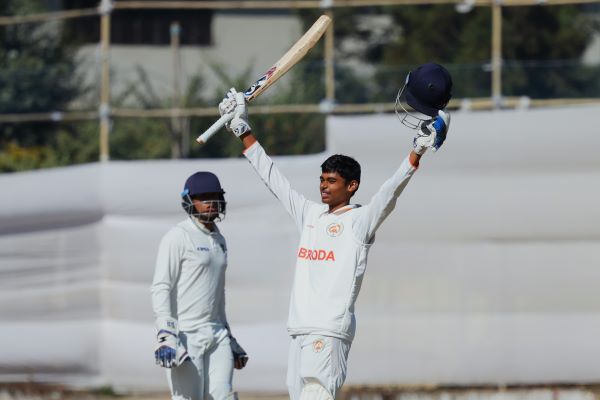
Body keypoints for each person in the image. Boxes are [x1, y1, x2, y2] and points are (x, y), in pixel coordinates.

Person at [219, 62, 452, 400]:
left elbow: (389, 193)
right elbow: (274, 179)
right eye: (322, 180)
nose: (323, 187)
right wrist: (242, 128)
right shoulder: (309, 214)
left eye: (332, 182)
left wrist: (415, 153)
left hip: (328, 333)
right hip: (299, 329)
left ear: (352, 186)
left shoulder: (360, 221)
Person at [151, 171, 248, 400]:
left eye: (215, 196)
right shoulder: (177, 236)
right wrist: (166, 333)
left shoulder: (219, 239)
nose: (211, 203)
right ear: (189, 201)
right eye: (204, 197)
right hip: (185, 334)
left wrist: (229, 334)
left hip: (217, 333)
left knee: (223, 396)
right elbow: (161, 286)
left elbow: (217, 293)